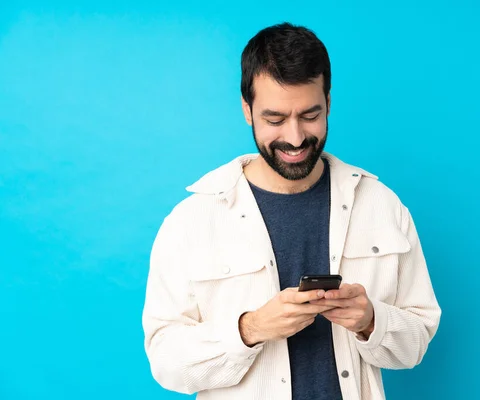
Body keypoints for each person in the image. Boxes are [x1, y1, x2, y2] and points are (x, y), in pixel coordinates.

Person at [142, 22, 441, 400]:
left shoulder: (381, 205)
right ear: (247, 110)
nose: (296, 138)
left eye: (310, 115)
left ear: (329, 103)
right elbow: (166, 363)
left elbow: (417, 341)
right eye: (275, 119)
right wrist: (249, 329)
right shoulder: (192, 220)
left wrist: (370, 320)